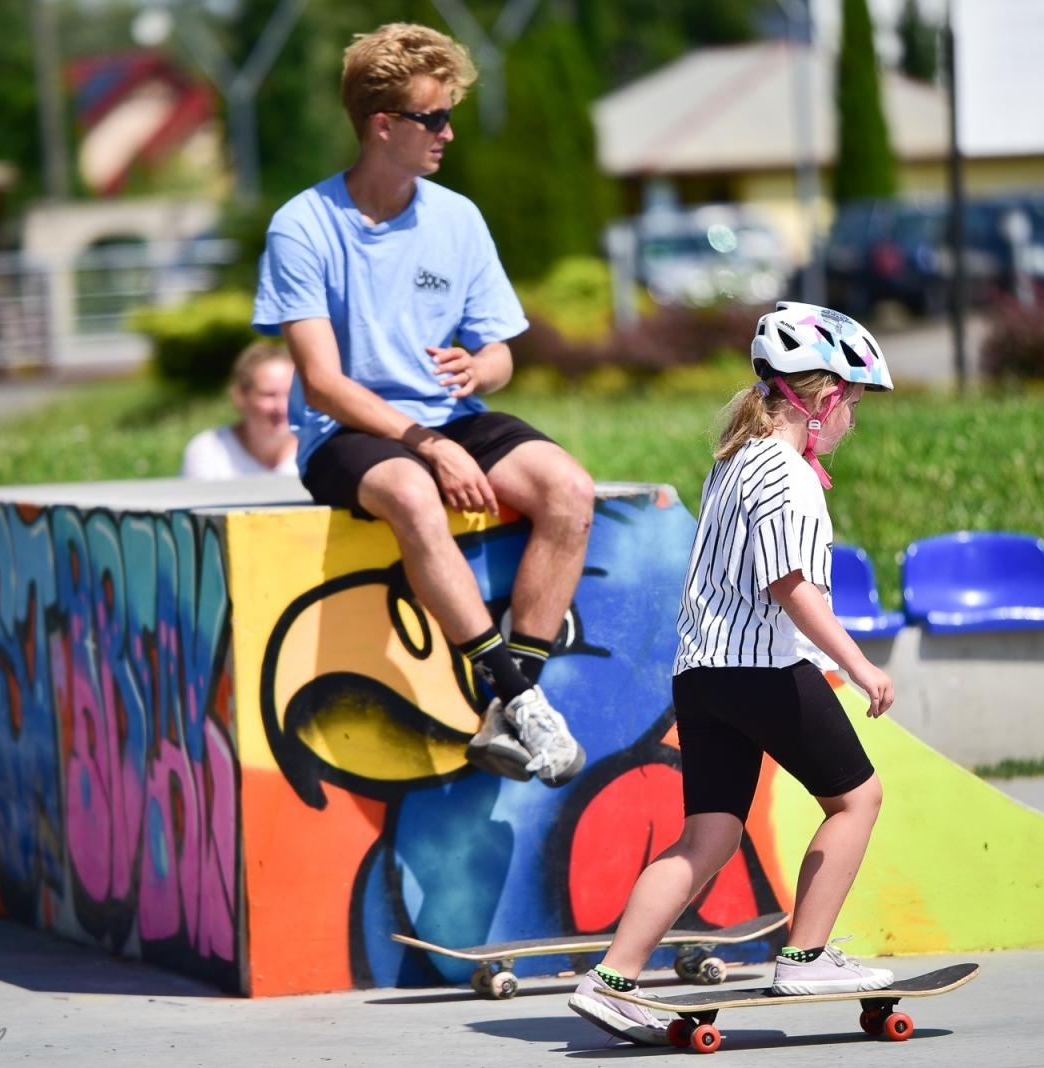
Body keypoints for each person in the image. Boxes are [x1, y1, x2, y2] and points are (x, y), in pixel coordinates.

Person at [252, 23, 593, 787]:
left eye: (448, 115)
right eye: (433, 118)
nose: (449, 132)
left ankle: (515, 701)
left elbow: (502, 351)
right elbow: (321, 383)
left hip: (449, 417)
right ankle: (513, 693)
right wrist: (429, 446)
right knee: (412, 488)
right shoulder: (302, 227)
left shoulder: (457, 218)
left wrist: (481, 367)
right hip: (349, 431)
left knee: (568, 489)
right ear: (383, 126)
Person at [567, 302, 898, 1045]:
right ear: (825, 400)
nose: (853, 423)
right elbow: (790, 584)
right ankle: (807, 956)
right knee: (857, 800)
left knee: (706, 836)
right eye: (854, 406)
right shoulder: (783, 472)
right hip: (762, 668)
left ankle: (612, 980)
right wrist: (857, 662)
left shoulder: (737, 459)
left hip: (703, 675)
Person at [180, 341, 300, 479]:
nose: (282, 407)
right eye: (269, 395)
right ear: (239, 396)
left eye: (291, 393)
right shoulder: (208, 451)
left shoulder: (317, 452)